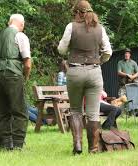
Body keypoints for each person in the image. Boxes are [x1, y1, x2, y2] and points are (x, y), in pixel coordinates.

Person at [58, 1, 112, 154]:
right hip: (94, 72)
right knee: (93, 112)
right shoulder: (100, 28)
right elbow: (108, 52)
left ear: (77, 12)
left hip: (75, 71)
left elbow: (61, 50)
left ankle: (77, 145)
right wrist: (98, 61)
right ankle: (93, 148)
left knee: (75, 110)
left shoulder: (71, 26)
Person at [0, 14, 32, 150]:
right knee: (20, 112)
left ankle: (6, 144)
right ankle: (18, 145)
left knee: (3, 111)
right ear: (22, 25)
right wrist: (25, 76)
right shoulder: (21, 36)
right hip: (13, 75)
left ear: (9, 22)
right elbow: (27, 63)